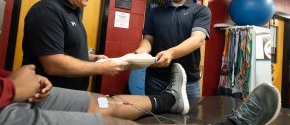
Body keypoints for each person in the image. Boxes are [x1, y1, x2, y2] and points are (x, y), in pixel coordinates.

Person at [0, 64, 281, 125]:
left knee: (103, 102)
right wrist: (12, 88)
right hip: (6, 104)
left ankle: (171, 100)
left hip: (17, 91)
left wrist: (14, 82)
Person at [22, 0, 129, 90]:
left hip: (72, 95)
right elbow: (53, 64)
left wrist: (93, 58)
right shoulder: (46, 11)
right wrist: (101, 68)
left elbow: (67, 50)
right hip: (50, 97)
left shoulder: (72, 11)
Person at [135, 0, 212, 102]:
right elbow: (148, 38)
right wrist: (142, 51)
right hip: (156, 79)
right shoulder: (155, 12)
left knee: (191, 120)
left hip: (188, 81)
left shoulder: (201, 11)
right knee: (154, 120)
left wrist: (170, 53)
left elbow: (198, 39)